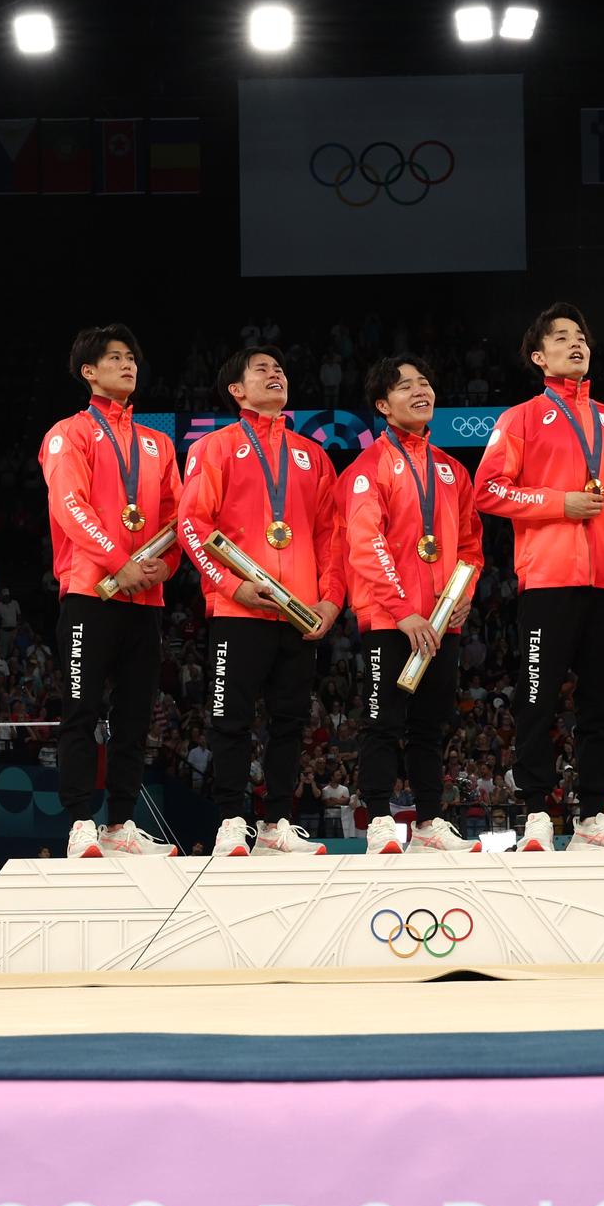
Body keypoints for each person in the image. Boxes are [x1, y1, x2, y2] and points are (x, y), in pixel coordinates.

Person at [471, 302, 604, 851]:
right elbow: (489, 489)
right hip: (549, 582)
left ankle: (591, 819)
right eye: (561, 337)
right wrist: (561, 503)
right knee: (537, 698)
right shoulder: (522, 418)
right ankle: (535, 812)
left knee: (602, 705)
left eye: (581, 336)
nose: (576, 343)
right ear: (539, 356)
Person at [175, 345, 343, 858]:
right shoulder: (216, 447)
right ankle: (230, 821)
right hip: (239, 608)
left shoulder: (312, 454)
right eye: (262, 369)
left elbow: (332, 535)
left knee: (290, 723)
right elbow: (191, 525)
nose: (276, 374)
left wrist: (331, 601)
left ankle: (276, 826)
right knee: (230, 717)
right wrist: (231, 587)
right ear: (237, 389)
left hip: (298, 614)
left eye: (281, 369)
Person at [40, 325, 181, 861]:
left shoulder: (158, 443)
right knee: (81, 711)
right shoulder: (67, 434)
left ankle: (120, 824)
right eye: (114, 357)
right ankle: (80, 825)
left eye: (131, 357)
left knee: (134, 719)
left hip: (144, 600)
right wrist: (120, 564)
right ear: (88, 372)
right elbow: (70, 505)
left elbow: (176, 519)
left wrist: (161, 568)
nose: (128, 365)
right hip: (89, 593)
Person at [341, 354, 483, 855]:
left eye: (424, 382)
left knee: (431, 727)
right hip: (390, 621)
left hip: (442, 624)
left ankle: (428, 821)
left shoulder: (452, 471)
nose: (420, 390)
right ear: (383, 405)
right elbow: (366, 543)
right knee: (382, 722)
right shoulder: (367, 468)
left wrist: (461, 597)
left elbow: (469, 545)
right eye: (405, 387)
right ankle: (379, 819)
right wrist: (404, 611)